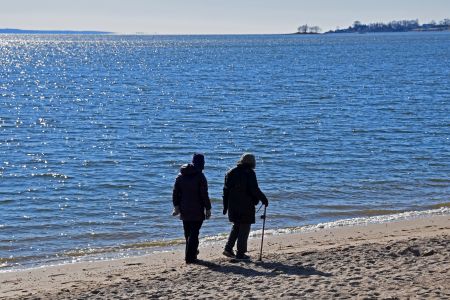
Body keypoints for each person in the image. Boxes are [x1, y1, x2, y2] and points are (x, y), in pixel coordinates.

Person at [222, 153, 268, 260]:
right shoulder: (250, 173)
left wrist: (225, 207)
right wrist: (264, 199)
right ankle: (240, 253)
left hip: (232, 206)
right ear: (252, 163)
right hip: (246, 206)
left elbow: (225, 191)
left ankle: (228, 249)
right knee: (244, 228)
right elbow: (254, 189)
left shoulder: (230, 172)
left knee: (236, 226)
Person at [172, 153, 212, 264]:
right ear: (202, 163)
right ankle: (191, 257)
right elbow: (204, 194)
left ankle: (190, 254)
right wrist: (208, 208)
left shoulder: (181, 175)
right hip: (197, 208)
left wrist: (176, 207)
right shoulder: (200, 176)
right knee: (194, 233)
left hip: (184, 208)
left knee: (187, 233)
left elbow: (175, 193)